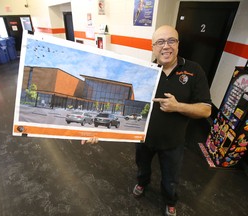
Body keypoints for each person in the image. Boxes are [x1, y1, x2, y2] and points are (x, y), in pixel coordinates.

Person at [82, 25, 212, 216]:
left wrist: (178, 106)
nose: (165, 46)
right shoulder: (146, 73)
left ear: (178, 44)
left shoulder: (194, 70)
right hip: (143, 139)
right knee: (142, 169)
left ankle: (170, 202)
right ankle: (142, 184)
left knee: (171, 179)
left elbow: (206, 110)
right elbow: (120, 105)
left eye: (171, 41)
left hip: (173, 143)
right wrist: (97, 131)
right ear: (152, 47)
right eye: (160, 42)